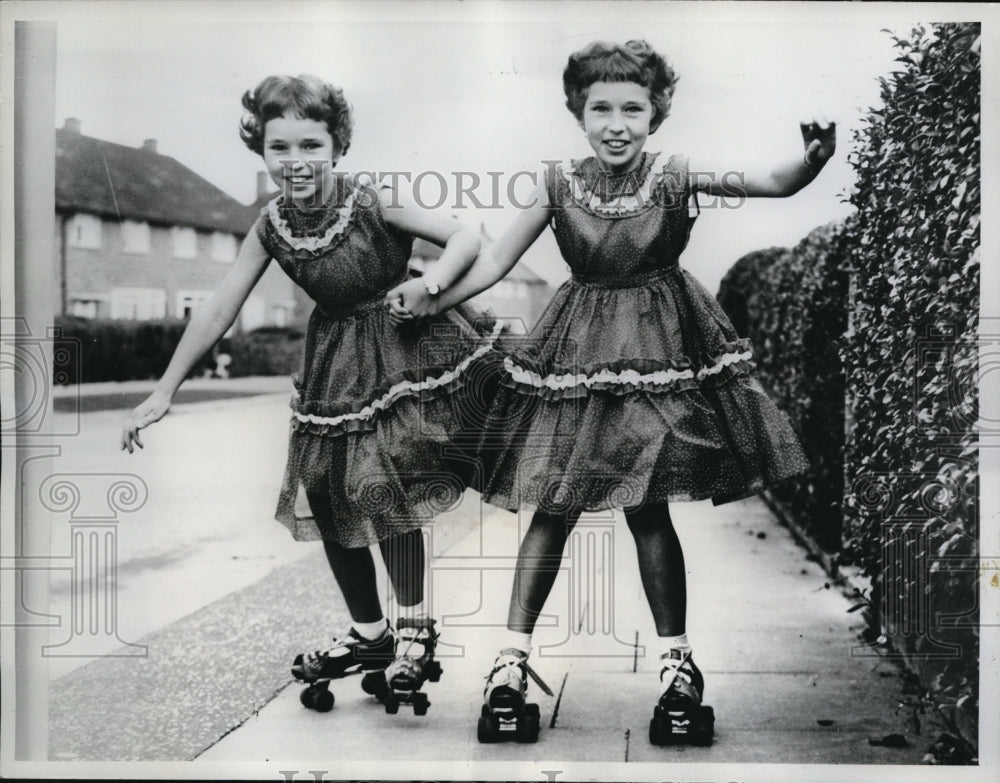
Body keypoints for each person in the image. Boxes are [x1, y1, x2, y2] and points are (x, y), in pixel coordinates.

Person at [386, 39, 835, 740]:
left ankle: (677, 664)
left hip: (659, 352)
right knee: (553, 505)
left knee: (647, 509)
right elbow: (496, 259)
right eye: (601, 109)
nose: (617, 123)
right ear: (578, 112)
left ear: (656, 114)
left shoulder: (675, 174)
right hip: (576, 355)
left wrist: (810, 162)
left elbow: (770, 182)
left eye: (633, 108)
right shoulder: (558, 183)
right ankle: (510, 661)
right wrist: (432, 293)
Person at [121, 73, 497, 712]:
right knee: (324, 493)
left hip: (401, 348)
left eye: (310, 145)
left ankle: (414, 629)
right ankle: (370, 635)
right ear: (261, 150)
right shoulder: (270, 226)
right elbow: (219, 307)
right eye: (280, 147)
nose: (295, 161)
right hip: (334, 366)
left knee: (386, 489)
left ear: (337, 146)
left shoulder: (372, 200)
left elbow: (465, 236)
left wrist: (428, 285)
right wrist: (165, 389)